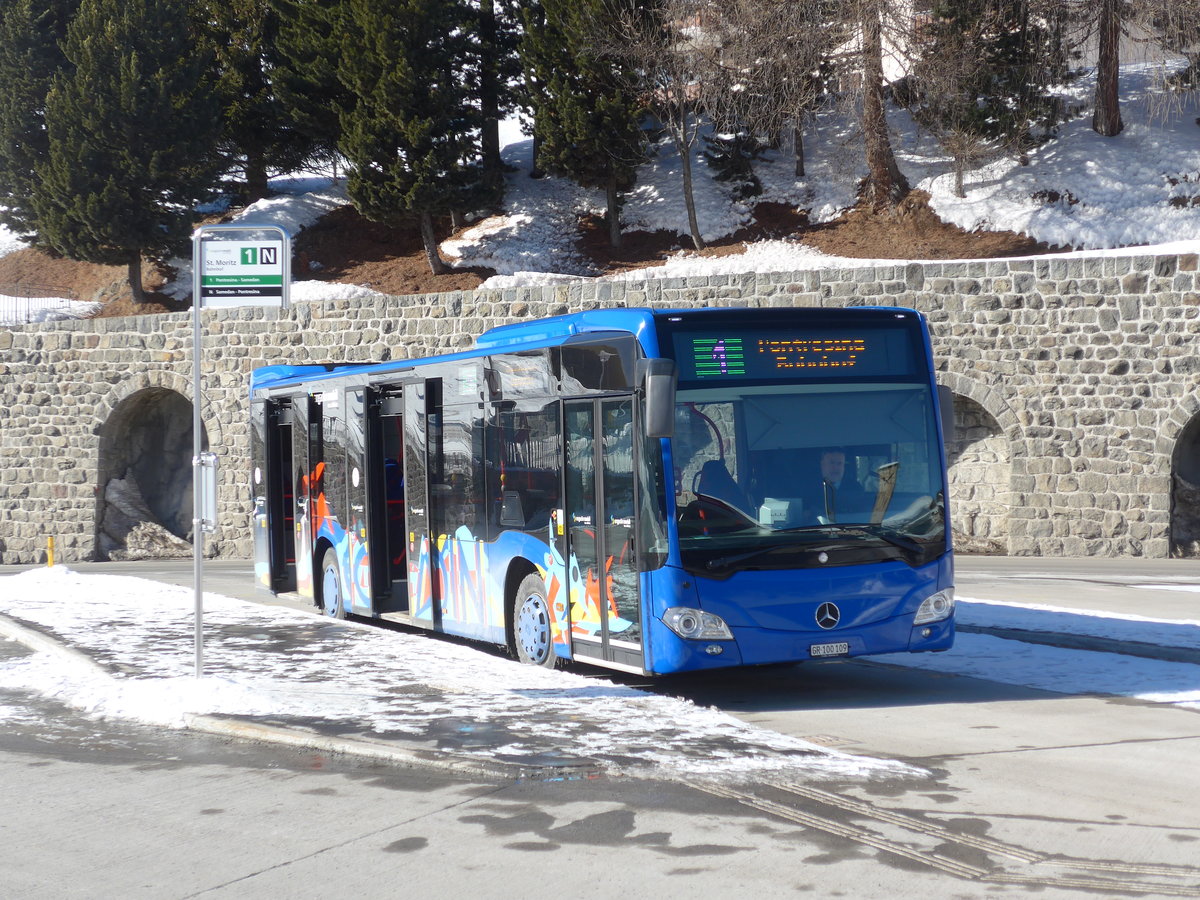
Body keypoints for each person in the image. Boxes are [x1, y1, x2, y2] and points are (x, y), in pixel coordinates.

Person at [810, 448, 869, 522]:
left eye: (839, 463)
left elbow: (864, 517)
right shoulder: (808, 489)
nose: (835, 468)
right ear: (822, 465)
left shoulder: (855, 488)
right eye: (832, 463)